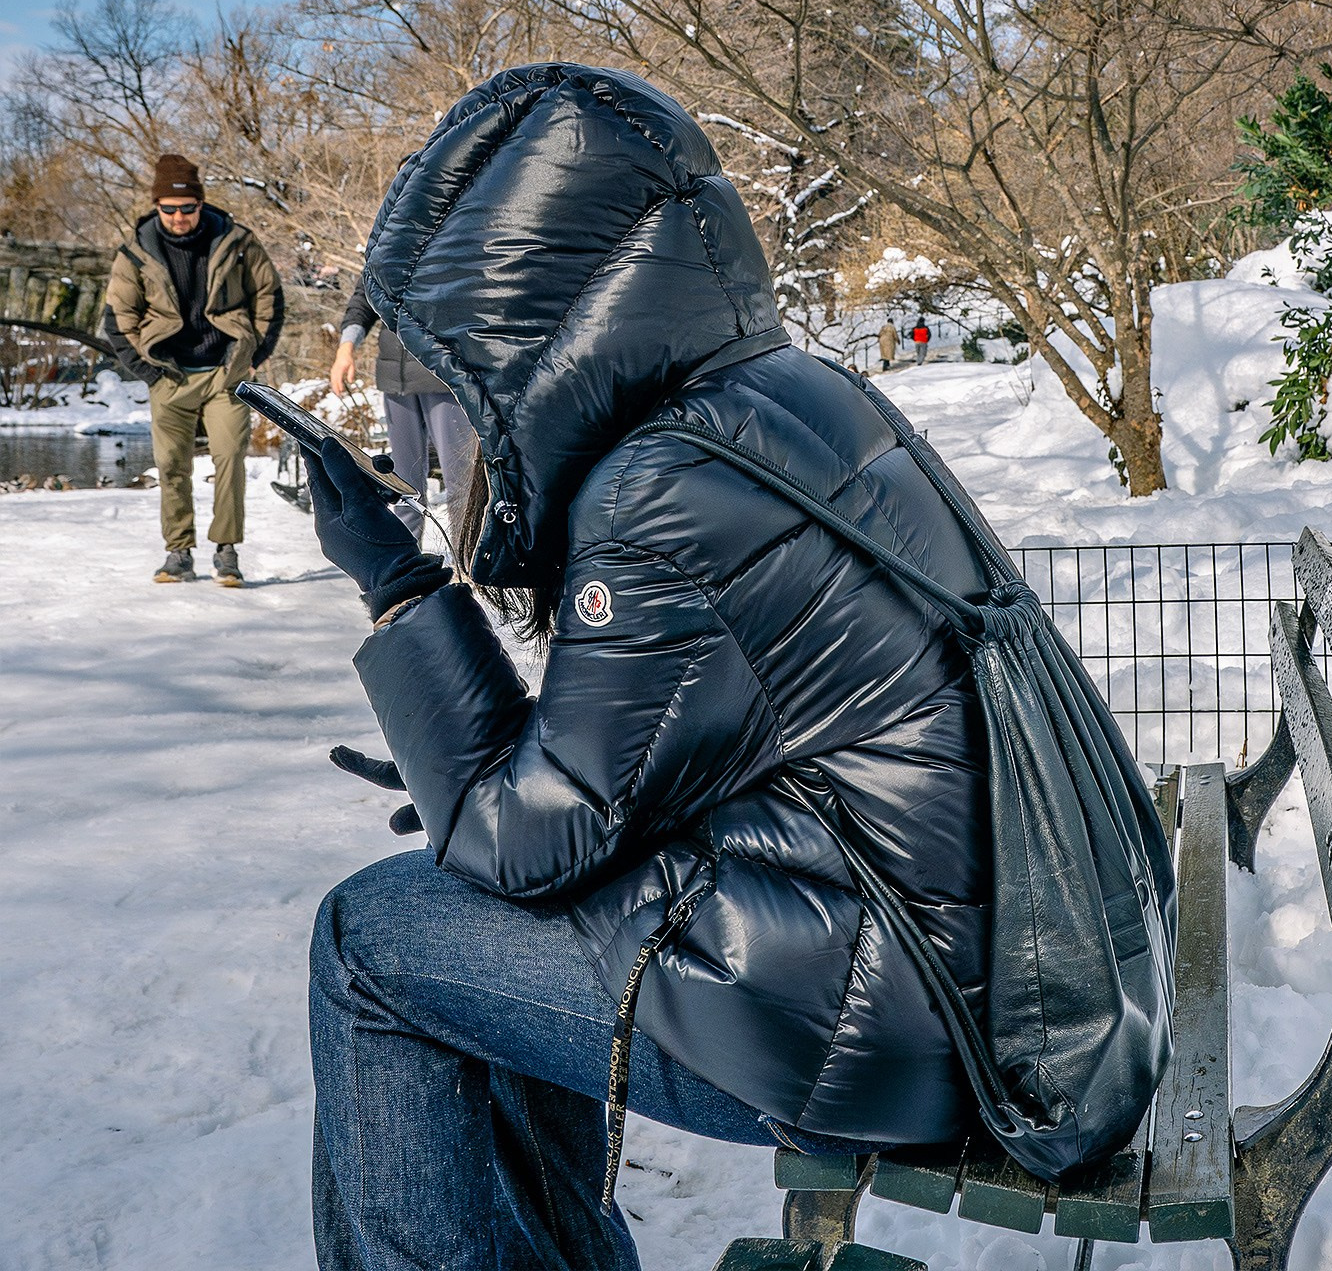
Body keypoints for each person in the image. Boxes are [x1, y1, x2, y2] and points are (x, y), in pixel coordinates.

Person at [302, 65, 999, 1269]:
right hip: (941, 963)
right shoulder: (778, 405)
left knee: (369, 938)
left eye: (468, 367)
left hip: (885, 1016)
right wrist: (482, 777)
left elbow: (530, 838)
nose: (467, 413)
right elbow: (643, 752)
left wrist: (400, 583)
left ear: (532, 327)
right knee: (463, 911)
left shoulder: (663, 488)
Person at [104, 154, 284, 587]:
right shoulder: (135, 251)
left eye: (188, 208)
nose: (179, 217)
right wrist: (148, 373)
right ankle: (178, 552)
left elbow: (270, 301)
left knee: (229, 458)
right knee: (171, 465)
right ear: (157, 206)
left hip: (226, 372)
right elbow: (117, 318)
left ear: (201, 205)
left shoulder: (238, 241)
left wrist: (252, 358)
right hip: (168, 373)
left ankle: (227, 552)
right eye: (169, 208)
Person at [330, 268, 475, 541]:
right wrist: (345, 348)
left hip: (443, 376)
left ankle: (470, 566)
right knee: (403, 485)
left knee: (461, 482)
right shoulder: (388, 239)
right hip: (395, 380)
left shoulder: (449, 233)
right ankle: (408, 566)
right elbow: (365, 295)